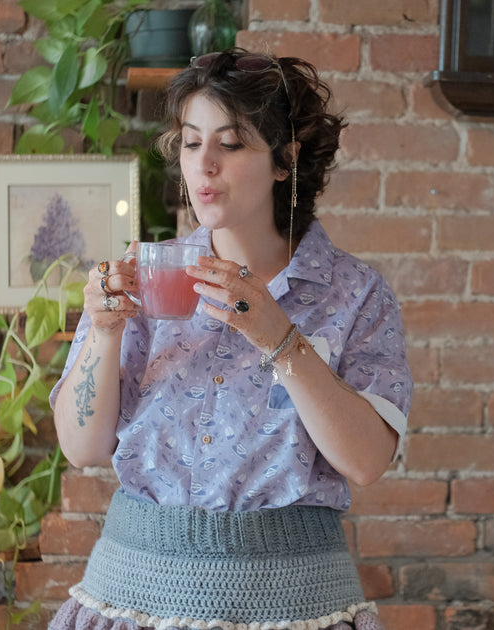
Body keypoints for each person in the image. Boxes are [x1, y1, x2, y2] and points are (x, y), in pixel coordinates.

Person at [48, 47, 412, 630]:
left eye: (232, 142)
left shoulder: (354, 294)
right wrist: (105, 332)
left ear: (285, 160)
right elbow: (82, 447)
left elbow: (368, 462)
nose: (204, 165)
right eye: (192, 143)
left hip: (295, 609)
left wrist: (280, 338)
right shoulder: (140, 276)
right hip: (131, 602)